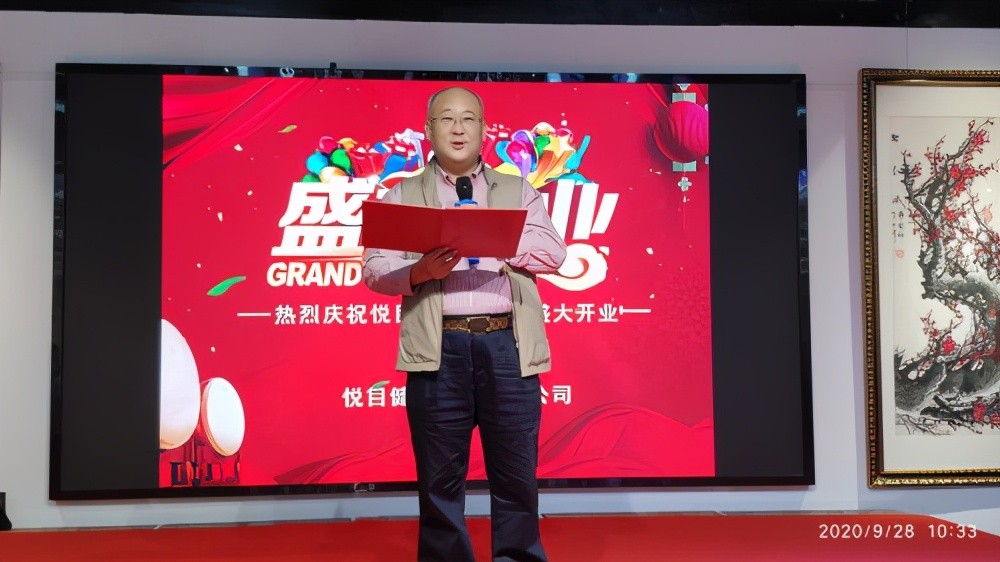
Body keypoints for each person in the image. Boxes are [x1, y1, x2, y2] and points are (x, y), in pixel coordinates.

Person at [362, 86, 567, 562]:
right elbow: (373, 269)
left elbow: (555, 254)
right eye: (447, 119)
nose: (458, 129)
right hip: (439, 352)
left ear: (483, 129)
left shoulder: (517, 191)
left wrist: (499, 237)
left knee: (516, 477)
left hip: (507, 347)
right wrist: (419, 272)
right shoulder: (402, 194)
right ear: (428, 129)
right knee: (439, 481)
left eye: (468, 119)